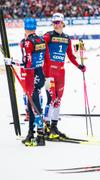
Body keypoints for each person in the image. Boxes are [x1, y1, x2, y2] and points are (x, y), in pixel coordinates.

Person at [43, 13, 86, 141]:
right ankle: (45, 126)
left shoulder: (67, 38)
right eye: (54, 22)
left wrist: (79, 66)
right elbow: (39, 47)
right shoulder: (48, 35)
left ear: (63, 23)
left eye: (58, 22)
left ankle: (54, 127)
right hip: (49, 71)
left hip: (61, 72)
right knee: (51, 98)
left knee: (58, 100)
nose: (56, 25)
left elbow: (71, 56)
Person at [5, 18, 46, 146]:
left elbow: (26, 63)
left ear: (25, 28)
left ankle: (40, 136)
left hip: (31, 75)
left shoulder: (26, 42)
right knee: (32, 104)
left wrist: (12, 62)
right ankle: (31, 133)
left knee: (33, 105)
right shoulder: (41, 39)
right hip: (40, 73)